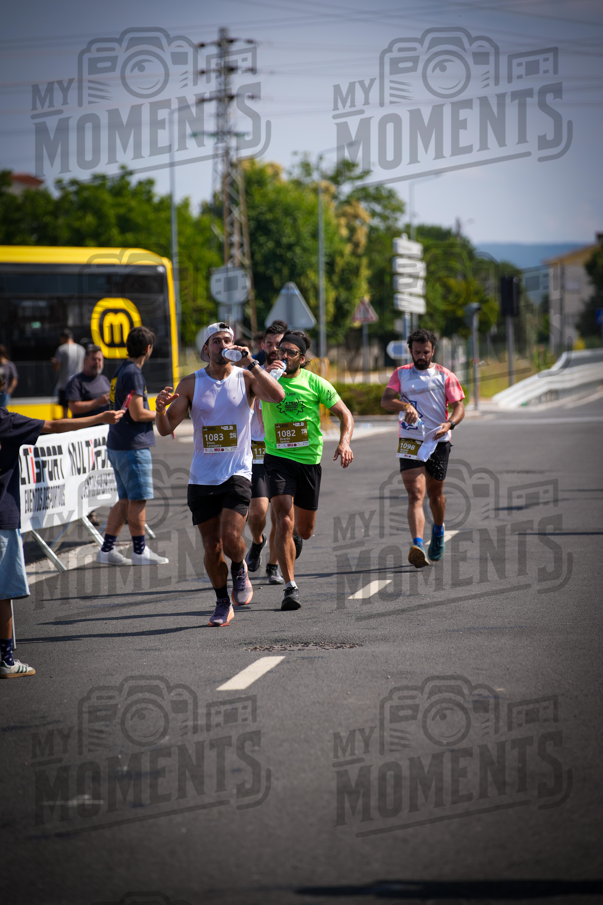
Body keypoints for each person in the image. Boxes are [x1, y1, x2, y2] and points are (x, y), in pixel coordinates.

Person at [154, 323, 285, 627]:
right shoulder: (190, 384)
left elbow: (276, 396)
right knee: (212, 547)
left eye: (228, 340)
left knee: (230, 538)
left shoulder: (247, 377)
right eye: (216, 341)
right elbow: (165, 428)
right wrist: (160, 410)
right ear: (206, 349)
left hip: (237, 473)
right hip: (201, 478)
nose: (223, 345)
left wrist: (251, 361)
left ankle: (239, 566)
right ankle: (222, 602)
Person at [0, 374, 124, 678]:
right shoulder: (5, 420)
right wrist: (100, 418)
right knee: (3, 593)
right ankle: (6, 659)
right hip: (2, 517)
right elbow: (54, 426)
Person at [261, 331, 354, 611]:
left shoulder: (316, 383)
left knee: (304, 529)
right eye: (281, 351)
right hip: (277, 458)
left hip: (309, 462)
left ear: (302, 359)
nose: (284, 356)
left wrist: (345, 440)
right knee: (282, 519)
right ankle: (291, 588)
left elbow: (345, 414)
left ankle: (295, 539)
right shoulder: (265, 379)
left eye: (291, 352)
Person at [381, 328, 465, 568]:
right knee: (414, 494)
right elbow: (386, 400)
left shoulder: (444, 375)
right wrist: (403, 405)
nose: (421, 356)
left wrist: (449, 423)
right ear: (410, 351)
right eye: (416, 352)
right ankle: (417, 544)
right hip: (410, 439)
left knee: (435, 495)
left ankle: (438, 530)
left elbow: (459, 406)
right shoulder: (401, 373)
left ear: (432, 351)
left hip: (438, 439)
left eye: (425, 352)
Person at [97, 326, 168, 567]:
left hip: (118, 442)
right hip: (132, 445)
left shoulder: (120, 370)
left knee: (125, 499)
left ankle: (106, 550)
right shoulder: (134, 373)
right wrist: (161, 413)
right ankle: (140, 552)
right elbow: (137, 414)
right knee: (138, 499)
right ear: (148, 349)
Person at [243, 323, 289, 585]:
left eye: (279, 345)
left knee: (280, 515)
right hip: (258, 452)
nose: (274, 350)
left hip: (284, 452)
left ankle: (273, 565)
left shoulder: (295, 372)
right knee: (259, 511)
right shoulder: (252, 371)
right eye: (270, 345)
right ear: (263, 346)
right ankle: (258, 542)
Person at [66, 345, 111, 417]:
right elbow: (73, 408)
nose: (97, 362)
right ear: (85, 361)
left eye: (99, 359)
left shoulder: (104, 379)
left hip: (104, 427)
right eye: (93, 359)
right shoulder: (76, 381)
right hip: (87, 427)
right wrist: (98, 402)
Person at [51, 330, 85, 418]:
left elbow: (56, 368)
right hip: (79, 383)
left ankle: (66, 429)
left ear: (63, 338)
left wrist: (54, 363)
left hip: (65, 384)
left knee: (65, 411)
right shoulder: (81, 349)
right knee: (77, 408)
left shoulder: (61, 349)